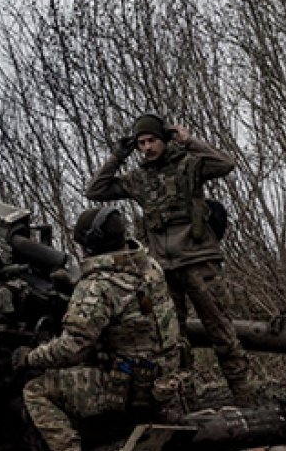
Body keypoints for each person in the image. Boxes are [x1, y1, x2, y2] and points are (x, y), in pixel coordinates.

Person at [9, 207, 183, 451]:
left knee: (36, 390)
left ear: (88, 245)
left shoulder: (98, 286)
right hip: (165, 379)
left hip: (131, 389)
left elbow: (71, 348)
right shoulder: (149, 266)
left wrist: (29, 357)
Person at [85, 113, 252, 405]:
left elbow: (226, 164)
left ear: (164, 140)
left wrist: (189, 141)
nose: (147, 148)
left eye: (151, 141)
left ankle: (247, 399)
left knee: (222, 333)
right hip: (164, 269)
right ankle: (187, 402)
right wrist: (119, 154)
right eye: (141, 143)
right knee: (173, 342)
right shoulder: (138, 179)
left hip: (199, 260)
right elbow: (95, 190)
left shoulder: (188, 165)